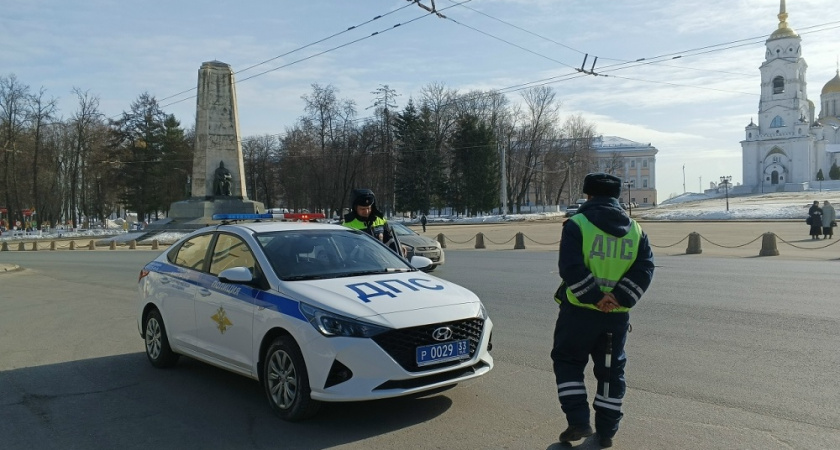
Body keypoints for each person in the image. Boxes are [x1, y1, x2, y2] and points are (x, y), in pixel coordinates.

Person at [551, 173, 655, 448]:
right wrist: (618, 298)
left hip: (578, 313)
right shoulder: (636, 230)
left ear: (588, 195)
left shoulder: (577, 224)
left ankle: (578, 419)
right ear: (616, 196)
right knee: (611, 371)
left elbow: (570, 268)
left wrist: (595, 297)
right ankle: (607, 431)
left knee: (568, 362)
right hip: (616, 316)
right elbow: (645, 269)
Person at [342, 189, 402, 255]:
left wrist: (399, 248)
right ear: (355, 208)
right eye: (363, 209)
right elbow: (346, 251)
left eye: (368, 208)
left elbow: (389, 241)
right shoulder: (348, 225)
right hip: (360, 263)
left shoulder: (380, 220)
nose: (366, 212)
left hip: (381, 261)